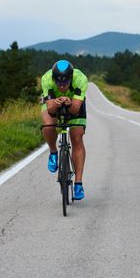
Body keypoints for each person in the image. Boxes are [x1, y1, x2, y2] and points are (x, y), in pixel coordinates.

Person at [40, 60, 88, 200]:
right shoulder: (46, 79)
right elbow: (50, 110)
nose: (61, 86)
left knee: (77, 136)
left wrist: (69, 102)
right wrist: (55, 103)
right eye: (58, 83)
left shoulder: (80, 79)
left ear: (71, 78)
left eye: (65, 83)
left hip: (75, 103)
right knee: (48, 127)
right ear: (54, 79)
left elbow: (75, 110)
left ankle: (78, 184)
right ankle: (53, 152)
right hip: (52, 103)